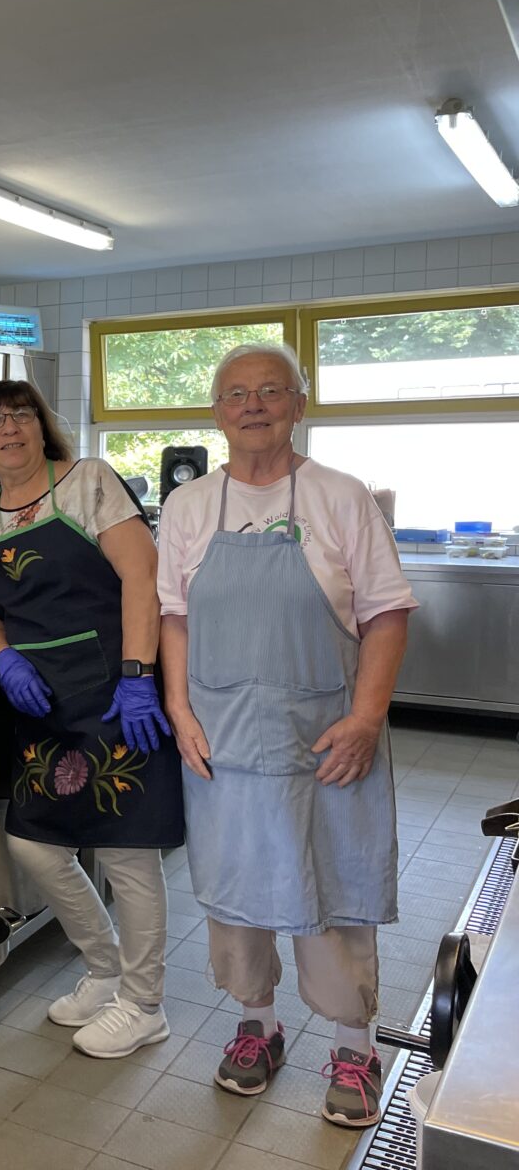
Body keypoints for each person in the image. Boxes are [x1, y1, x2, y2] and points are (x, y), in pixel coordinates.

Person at [158, 342, 415, 1127]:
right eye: (237, 394)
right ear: (216, 411)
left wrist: (367, 718)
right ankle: (256, 1028)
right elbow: (173, 615)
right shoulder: (188, 506)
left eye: (272, 391)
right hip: (223, 739)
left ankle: (354, 1044)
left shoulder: (342, 498)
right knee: (237, 890)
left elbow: (386, 613)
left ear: (299, 405)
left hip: (325, 738)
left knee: (334, 887)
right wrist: (180, 710)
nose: (254, 405)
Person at [0, 379, 185, 1059]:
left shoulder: (88, 483)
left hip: (118, 693)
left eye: (21, 415)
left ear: (42, 425)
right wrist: (4, 661)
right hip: (43, 706)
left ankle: (145, 1003)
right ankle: (104, 965)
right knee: (34, 841)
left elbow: (141, 579)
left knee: (126, 850)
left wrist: (140, 676)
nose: (8, 429)